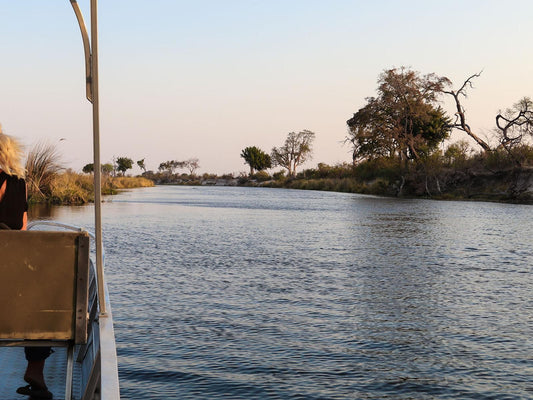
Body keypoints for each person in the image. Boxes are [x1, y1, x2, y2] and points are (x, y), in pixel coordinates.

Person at [0, 125, 53, 399]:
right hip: (10, 287)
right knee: (39, 297)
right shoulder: (18, 184)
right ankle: (35, 368)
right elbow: (23, 231)